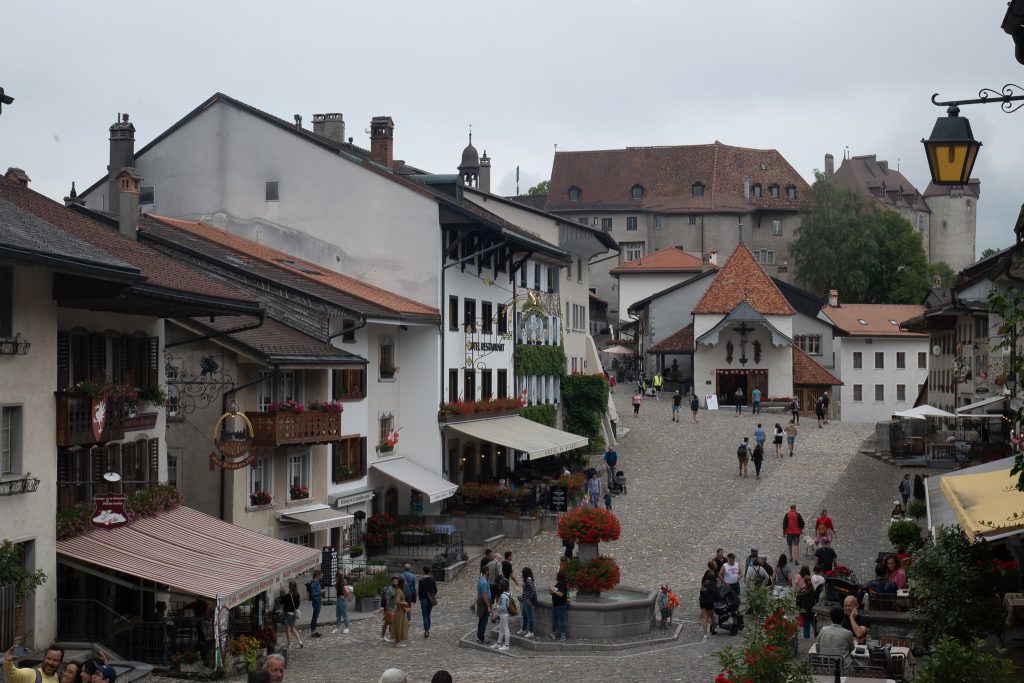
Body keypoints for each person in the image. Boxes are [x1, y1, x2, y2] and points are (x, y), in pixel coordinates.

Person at [816, 606, 856, 672]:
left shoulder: (823, 630)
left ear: (831, 618)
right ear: (843, 619)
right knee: (859, 666)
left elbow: (817, 646)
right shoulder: (847, 633)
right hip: (843, 665)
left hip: (824, 664)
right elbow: (852, 648)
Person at [794, 566, 817, 638]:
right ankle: (817, 640)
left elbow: (797, 603)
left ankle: (806, 641)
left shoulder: (801, 591)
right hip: (813, 612)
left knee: (806, 629)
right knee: (815, 628)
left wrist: (798, 611)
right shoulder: (813, 591)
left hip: (804, 612)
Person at [418, 565, 437, 639]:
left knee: (425, 615)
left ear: (423, 571)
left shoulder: (421, 580)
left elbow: (419, 591)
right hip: (430, 599)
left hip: (423, 599)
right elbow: (435, 589)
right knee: (428, 615)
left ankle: (426, 632)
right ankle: (427, 630)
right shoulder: (432, 580)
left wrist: (420, 598)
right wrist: (432, 595)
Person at [281, 581, 303, 649]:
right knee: (292, 628)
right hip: (293, 614)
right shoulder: (297, 594)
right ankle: (300, 641)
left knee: (287, 630)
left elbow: (282, 602)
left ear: (289, 587)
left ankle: (289, 645)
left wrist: (284, 594)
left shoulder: (288, 595)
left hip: (287, 613)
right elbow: (297, 605)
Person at [517, 567, 537, 638]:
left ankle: (531, 632)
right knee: (525, 616)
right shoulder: (528, 580)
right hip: (525, 600)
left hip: (527, 601)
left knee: (529, 617)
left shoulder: (528, 581)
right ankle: (524, 629)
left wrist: (529, 599)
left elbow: (533, 591)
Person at [549, 571, 569, 641]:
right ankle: (553, 633)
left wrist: (553, 591)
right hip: (555, 604)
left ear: (559, 576)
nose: (556, 575)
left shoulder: (562, 584)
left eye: (557, 574)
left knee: (561, 620)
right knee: (554, 619)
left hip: (560, 605)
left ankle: (563, 635)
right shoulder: (558, 583)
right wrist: (551, 591)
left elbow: (561, 594)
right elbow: (556, 592)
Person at [390, 577, 410, 647]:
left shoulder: (398, 590)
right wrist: (404, 603)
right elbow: (396, 601)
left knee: (400, 624)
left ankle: (397, 640)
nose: (405, 583)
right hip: (399, 611)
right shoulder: (399, 591)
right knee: (399, 625)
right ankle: (398, 642)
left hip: (399, 610)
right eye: (404, 582)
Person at [475, 566, 492, 644]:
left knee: (481, 620)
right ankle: (482, 638)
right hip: (484, 603)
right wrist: (488, 606)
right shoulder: (484, 582)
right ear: (487, 571)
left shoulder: (481, 580)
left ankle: (479, 637)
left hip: (481, 602)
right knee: (484, 621)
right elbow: (484, 595)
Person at [381, 575, 399, 642]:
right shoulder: (389, 590)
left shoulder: (395, 589)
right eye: (394, 582)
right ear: (391, 582)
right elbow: (387, 601)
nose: (396, 583)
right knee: (391, 623)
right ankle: (392, 638)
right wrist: (388, 611)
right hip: (390, 609)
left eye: (397, 582)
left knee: (386, 623)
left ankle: (382, 637)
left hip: (393, 608)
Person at [699, 576, 717, 640]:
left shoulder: (703, 584)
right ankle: (715, 627)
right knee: (712, 616)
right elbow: (716, 594)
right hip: (709, 603)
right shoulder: (712, 585)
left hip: (702, 603)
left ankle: (705, 634)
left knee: (705, 619)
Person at [308, 570, 323, 637]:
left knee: (316, 616)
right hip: (316, 601)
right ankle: (312, 632)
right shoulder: (314, 582)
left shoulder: (317, 582)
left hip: (318, 600)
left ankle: (313, 631)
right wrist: (321, 591)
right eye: (321, 576)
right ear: (317, 575)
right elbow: (313, 594)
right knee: (315, 616)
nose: (321, 577)